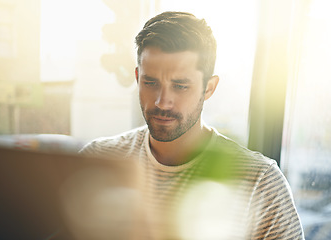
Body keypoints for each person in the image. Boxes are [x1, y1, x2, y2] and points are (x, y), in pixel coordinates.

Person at [80, 11, 304, 239]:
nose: (161, 101)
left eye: (180, 86)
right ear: (137, 78)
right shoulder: (98, 159)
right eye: (151, 82)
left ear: (209, 88)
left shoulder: (261, 182)